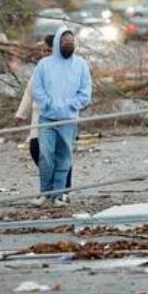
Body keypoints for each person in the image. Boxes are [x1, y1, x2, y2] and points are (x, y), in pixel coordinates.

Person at [31, 26, 92, 206]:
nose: (68, 46)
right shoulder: (44, 65)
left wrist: (71, 106)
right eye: (65, 43)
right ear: (58, 43)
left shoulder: (81, 65)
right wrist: (49, 104)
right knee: (46, 156)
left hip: (69, 119)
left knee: (64, 157)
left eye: (71, 44)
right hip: (47, 119)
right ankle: (45, 192)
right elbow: (37, 89)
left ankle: (58, 195)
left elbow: (85, 92)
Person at [15, 35, 73, 190]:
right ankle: (50, 188)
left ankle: (63, 190)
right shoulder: (40, 69)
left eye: (48, 51)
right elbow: (29, 92)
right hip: (38, 118)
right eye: (43, 51)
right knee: (36, 150)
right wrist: (21, 114)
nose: (44, 54)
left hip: (60, 120)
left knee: (61, 155)